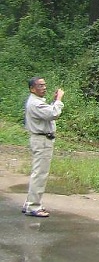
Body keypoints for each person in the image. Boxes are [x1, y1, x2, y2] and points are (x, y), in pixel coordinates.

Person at [22, 77, 64, 217]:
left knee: (38, 172)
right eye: (40, 86)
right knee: (40, 174)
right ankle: (34, 206)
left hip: (41, 139)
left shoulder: (37, 102)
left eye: (44, 85)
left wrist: (53, 102)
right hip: (42, 140)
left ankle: (30, 203)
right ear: (32, 89)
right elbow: (54, 113)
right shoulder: (35, 103)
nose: (44, 88)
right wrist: (59, 100)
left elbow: (48, 112)